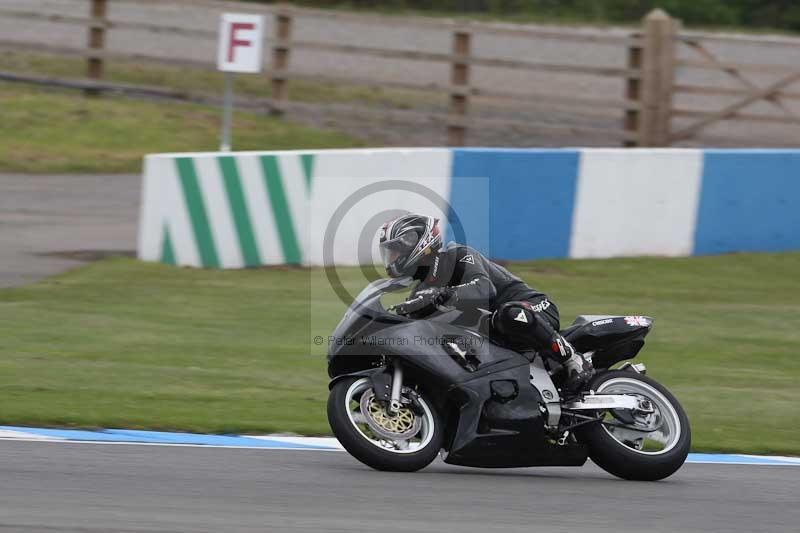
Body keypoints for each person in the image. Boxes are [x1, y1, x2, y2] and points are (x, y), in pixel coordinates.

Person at [378, 212, 592, 392]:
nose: (392, 258)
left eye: (395, 251)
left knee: (508, 314)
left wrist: (443, 293)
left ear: (416, 243)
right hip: (494, 333)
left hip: (531, 308)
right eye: (389, 253)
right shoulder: (421, 290)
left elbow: (484, 288)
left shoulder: (458, 256)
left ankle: (572, 358)